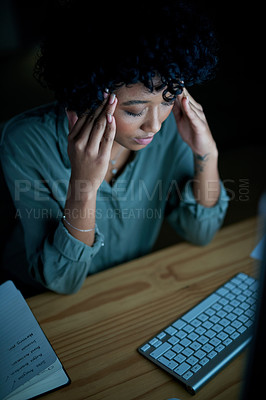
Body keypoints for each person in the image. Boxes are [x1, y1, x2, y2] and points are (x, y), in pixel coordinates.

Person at [0, 0, 229, 295]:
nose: (155, 126)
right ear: (88, 96)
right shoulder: (26, 142)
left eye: (168, 100)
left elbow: (201, 232)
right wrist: (83, 184)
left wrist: (207, 154)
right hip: (36, 298)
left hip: (127, 287)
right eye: (135, 111)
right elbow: (63, 281)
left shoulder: (173, 127)